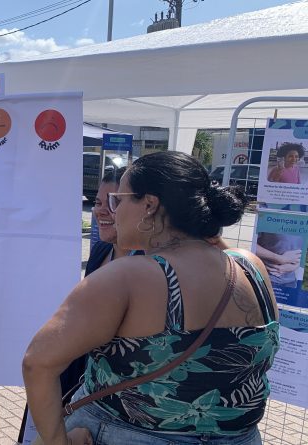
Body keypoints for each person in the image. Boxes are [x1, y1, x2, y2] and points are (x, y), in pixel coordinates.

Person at [23, 151, 280, 445]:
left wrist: (58, 441)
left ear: (149, 205)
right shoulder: (250, 267)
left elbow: (37, 362)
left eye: (118, 200)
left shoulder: (128, 277)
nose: (113, 211)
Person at [59, 167, 143, 402]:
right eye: (97, 203)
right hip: (83, 372)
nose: (100, 211)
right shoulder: (101, 250)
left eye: (114, 202)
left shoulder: (148, 264)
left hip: (120, 389)